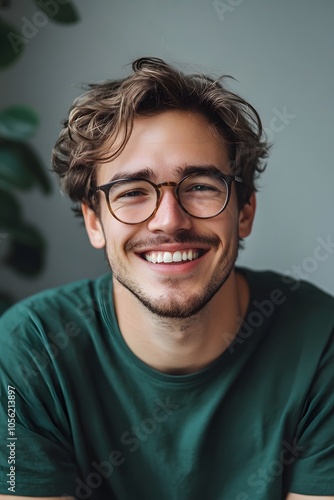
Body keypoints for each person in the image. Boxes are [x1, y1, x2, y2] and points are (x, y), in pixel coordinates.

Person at [0, 57, 333, 500]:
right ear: (95, 222)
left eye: (200, 186)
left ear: (245, 212)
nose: (168, 221)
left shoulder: (321, 342)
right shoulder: (28, 352)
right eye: (133, 192)